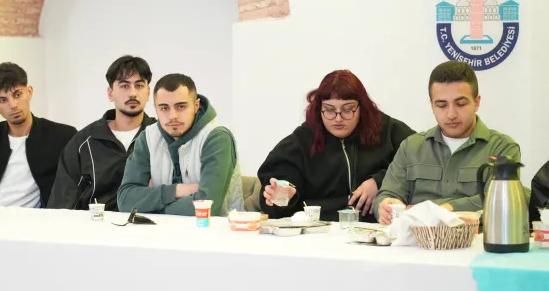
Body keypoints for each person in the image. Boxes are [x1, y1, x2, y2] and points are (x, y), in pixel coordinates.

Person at [374, 61, 521, 225]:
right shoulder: (411, 146)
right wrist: (385, 206)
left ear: (477, 102)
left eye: (460, 104)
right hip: (417, 239)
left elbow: (500, 201)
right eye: (441, 105)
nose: (451, 114)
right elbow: (387, 194)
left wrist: (441, 209)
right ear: (431, 105)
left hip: (477, 238)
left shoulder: (502, 148)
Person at [258, 70, 415, 222]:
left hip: (378, 227)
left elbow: (419, 161)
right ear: (319, 108)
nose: (338, 118)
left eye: (347, 110)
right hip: (320, 230)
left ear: (361, 107)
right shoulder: (301, 142)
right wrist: (282, 198)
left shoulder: (388, 131)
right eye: (329, 110)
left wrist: (379, 182)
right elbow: (276, 201)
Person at [0, 62, 77, 207]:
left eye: (17, 95)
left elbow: (75, 188)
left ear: (29, 92)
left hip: (35, 219)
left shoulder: (62, 137)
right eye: (2, 100)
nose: (13, 105)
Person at [117, 73, 243, 216]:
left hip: (217, 228)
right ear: (156, 109)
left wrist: (152, 207)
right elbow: (125, 200)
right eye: (164, 108)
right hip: (162, 228)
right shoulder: (147, 138)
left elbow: (207, 208)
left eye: (181, 107)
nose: (172, 116)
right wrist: (177, 190)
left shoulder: (217, 137)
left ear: (196, 106)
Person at [48, 56, 156, 211]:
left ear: (148, 92)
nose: (133, 93)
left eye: (139, 85)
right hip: (96, 223)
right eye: (124, 86)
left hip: (149, 221)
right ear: (110, 93)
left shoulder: (160, 136)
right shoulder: (85, 142)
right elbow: (61, 203)